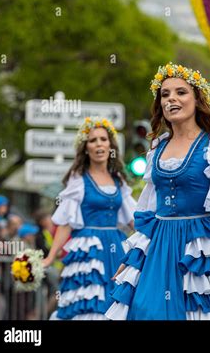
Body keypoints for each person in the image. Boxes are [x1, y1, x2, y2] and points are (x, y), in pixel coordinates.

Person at [106, 63, 210, 320]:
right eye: (165, 94)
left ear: (197, 99)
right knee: (146, 310)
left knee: (199, 310)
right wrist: (134, 256)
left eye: (181, 92)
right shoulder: (157, 145)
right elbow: (148, 211)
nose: (171, 99)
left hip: (199, 242)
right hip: (160, 246)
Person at [43, 117, 136, 320]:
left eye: (103, 139)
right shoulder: (79, 180)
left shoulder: (118, 181)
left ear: (110, 145)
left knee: (117, 304)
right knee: (88, 303)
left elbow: (134, 222)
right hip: (89, 249)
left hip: (116, 249)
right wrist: (50, 256)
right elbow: (66, 224)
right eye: (93, 140)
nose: (99, 144)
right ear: (86, 148)